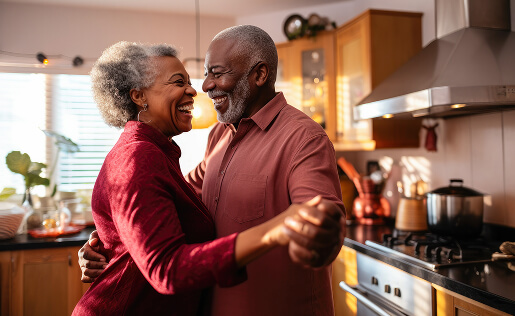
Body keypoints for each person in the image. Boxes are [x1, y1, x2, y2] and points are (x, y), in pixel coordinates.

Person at [79, 25, 346, 316]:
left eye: (216, 73)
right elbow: (163, 201)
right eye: (204, 74)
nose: (203, 86)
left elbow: (322, 217)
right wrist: (117, 237)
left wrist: (319, 227)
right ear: (138, 96)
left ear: (259, 75)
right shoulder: (217, 137)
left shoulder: (304, 138)